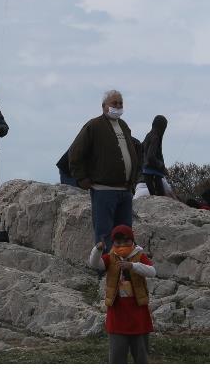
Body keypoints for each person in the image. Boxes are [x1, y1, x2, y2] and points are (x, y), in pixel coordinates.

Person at [68, 90, 141, 250]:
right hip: (103, 191)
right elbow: (75, 152)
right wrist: (82, 178)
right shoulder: (94, 126)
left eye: (120, 103)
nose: (118, 106)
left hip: (125, 190)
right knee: (104, 233)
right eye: (114, 103)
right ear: (104, 106)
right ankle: (104, 269)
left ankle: (123, 269)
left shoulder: (123, 126)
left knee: (125, 233)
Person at [87, 225, 156, 363]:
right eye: (118, 242)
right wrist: (97, 250)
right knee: (117, 357)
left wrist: (133, 266)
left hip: (138, 314)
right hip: (117, 314)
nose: (122, 245)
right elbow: (95, 264)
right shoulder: (111, 257)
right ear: (113, 243)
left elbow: (152, 271)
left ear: (133, 241)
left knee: (141, 356)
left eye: (126, 241)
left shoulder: (139, 255)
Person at [141, 115, 169, 196]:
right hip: (153, 172)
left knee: (154, 195)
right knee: (160, 196)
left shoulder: (148, 135)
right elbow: (151, 156)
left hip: (146, 171)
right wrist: (162, 166)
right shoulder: (156, 138)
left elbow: (142, 150)